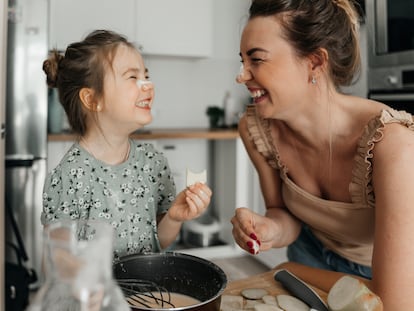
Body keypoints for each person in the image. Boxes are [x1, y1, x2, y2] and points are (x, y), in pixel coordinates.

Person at [231, 0, 414, 308]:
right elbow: (282, 212)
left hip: (379, 277)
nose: (241, 75)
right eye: (242, 61)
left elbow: (394, 301)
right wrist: (269, 229)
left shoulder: (393, 146)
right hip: (308, 254)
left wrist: (287, 270)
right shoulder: (255, 129)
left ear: (314, 62)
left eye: (256, 60)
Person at [41, 29, 212, 261]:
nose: (148, 85)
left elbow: (158, 242)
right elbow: (58, 262)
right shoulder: (70, 176)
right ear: (92, 99)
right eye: (133, 77)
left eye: (146, 75)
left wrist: (174, 218)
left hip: (149, 295)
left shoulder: (153, 162)